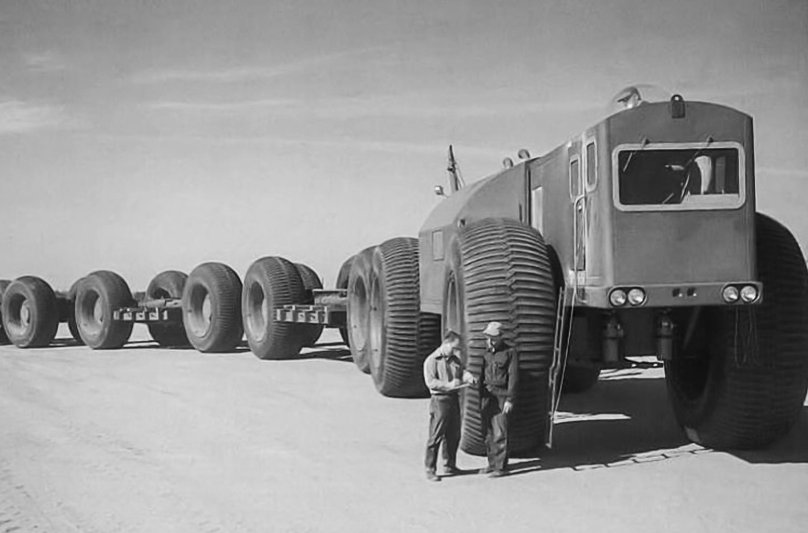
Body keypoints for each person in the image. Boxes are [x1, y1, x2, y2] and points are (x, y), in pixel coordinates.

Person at [422, 330, 476, 482]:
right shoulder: (432, 360)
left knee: (453, 434)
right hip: (440, 400)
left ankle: (449, 464)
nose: (455, 351)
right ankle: (430, 468)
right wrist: (448, 384)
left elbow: (461, 372)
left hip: (453, 399)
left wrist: (468, 376)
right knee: (436, 435)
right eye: (454, 347)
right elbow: (431, 382)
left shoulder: (454, 360)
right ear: (446, 344)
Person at [478, 321, 519, 478]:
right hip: (487, 396)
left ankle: (501, 467)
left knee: (500, 432)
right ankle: (491, 463)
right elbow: (482, 374)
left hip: (502, 395)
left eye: (493, 338)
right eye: (488, 337)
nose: (490, 340)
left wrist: (510, 399)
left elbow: (514, 377)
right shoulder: (486, 352)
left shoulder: (510, 353)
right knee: (488, 432)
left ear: (501, 337)